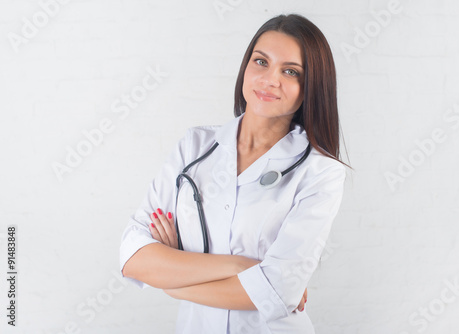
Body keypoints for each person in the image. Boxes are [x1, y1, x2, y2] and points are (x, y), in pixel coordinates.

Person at [119, 13, 351, 334]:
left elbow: (279, 291)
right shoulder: (195, 146)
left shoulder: (320, 171)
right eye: (261, 62)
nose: (270, 79)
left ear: (310, 86)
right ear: (245, 67)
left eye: (290, 71)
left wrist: (173, 283)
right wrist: (243, 268)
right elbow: (135, 258)